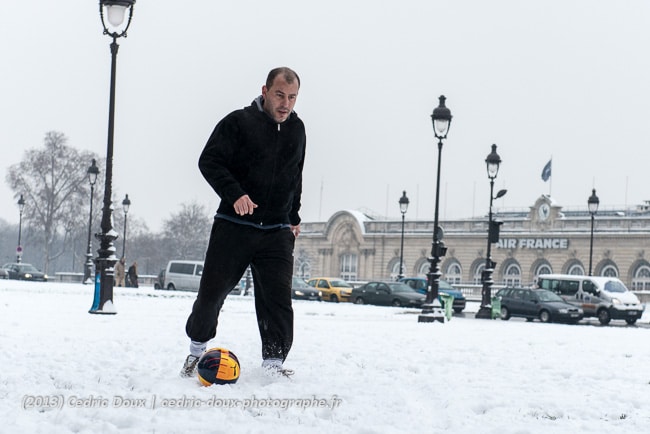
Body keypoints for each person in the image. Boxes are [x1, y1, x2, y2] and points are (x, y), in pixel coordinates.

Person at [181, 67, 306, 378]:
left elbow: (296, 174)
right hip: (234, 226)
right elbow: (208, 160)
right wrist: (235, 194)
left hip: (277, 231)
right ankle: (196, 351)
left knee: (277, 300)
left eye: (291, 97)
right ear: (264, 91)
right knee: (212, 294)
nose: (285, 104)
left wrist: (294, 217)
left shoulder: (298, 129)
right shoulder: (237, 122)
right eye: (279, 95)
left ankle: (274, 363)